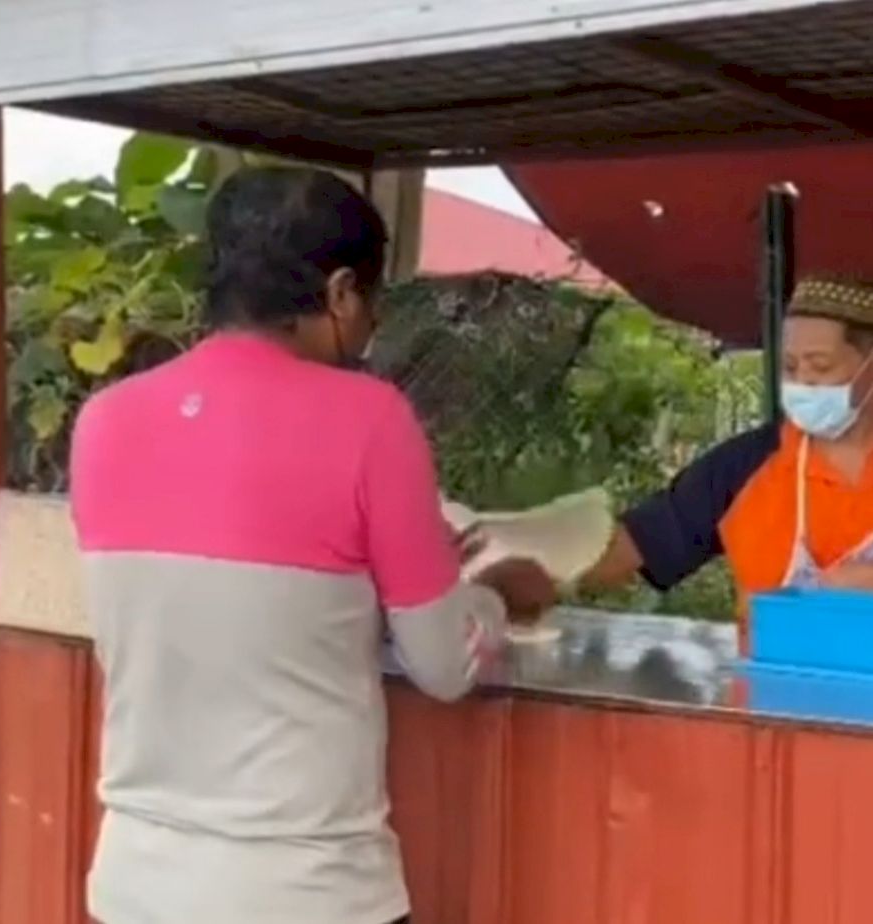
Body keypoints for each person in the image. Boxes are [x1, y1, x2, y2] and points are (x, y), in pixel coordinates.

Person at [69, 167, 551, 924]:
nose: (370, 327)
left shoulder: (105, 421)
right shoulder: (370, 419)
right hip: (308, 891)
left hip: (135, 885)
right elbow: (443, 665)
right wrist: (493, 598)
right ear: (339, 292)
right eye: (372, 301)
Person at [583, 275, 873, 635]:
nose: (803, 383)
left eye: (821, 366)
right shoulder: (748, 463)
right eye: (791, 367)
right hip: (774, 684)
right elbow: (632, 545)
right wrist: (517, 569)